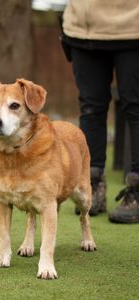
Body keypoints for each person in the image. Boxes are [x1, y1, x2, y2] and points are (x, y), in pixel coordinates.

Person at [61, 0, 139, 223]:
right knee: (90, 108)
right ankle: (91, 185)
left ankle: (137, 189)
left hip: (133, 28)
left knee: (135, 107)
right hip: (83, 30)